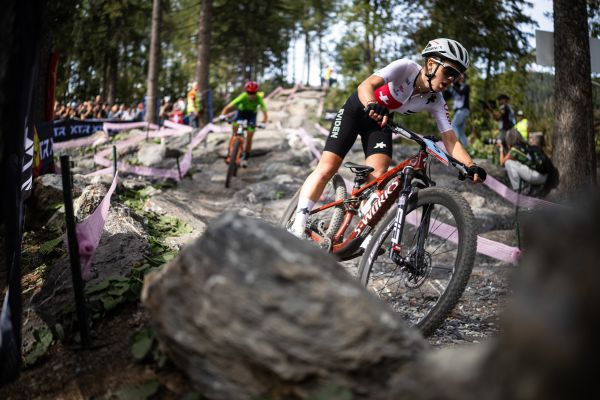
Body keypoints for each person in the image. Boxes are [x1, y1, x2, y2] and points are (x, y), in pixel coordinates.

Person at [288, 38, 486, 238]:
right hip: (356, 110)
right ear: (431, 64)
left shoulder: (436, 100)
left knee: (378, 179)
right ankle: (297, 225)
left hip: (380, 122)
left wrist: (470, 165)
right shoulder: (405, 68)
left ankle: (362, 238)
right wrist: (371, 103)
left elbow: (450, 139)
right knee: (327, 168)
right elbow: (365, 85)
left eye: (456, 75)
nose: (451, 79)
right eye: (449, 71)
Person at [219, 81, 269, 167]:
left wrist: (263, 122)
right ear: (246, 92)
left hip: (252, 115)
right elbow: (229, 106)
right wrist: (222, 115)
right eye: (249, 93)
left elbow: (265, 113)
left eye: (253, 93)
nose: (251, 95)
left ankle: (246, 157)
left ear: (256, 93)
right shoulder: (243, 96)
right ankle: (230, 154)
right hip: (241, 113)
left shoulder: (259, 98)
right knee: (234, 131)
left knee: (250, 135)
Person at [446, 73, 470, 147]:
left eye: (462, 77)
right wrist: (446, 88)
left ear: (465, 78)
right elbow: (446, 97)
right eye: (459, 77)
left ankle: (455, 145)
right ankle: (467, 148)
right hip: (459, 112)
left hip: (463, 110)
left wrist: (453, 86)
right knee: (461, 131)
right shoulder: (455, 87)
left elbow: (461, 93)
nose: (460, 78)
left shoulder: (466, 87)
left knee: (454, 125)